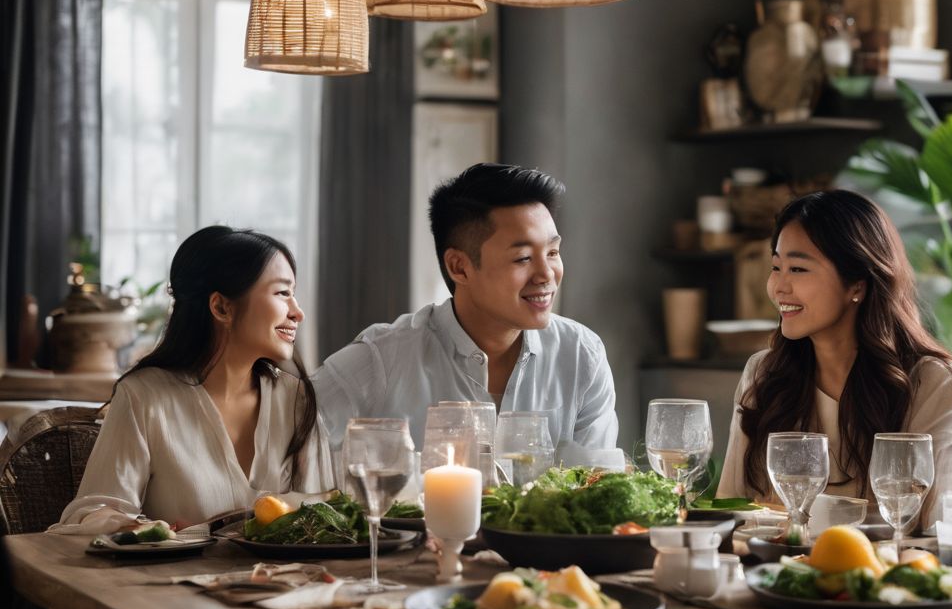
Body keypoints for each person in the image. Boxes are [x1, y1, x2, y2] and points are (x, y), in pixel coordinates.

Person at [717, 190, 952, 529]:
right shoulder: (763, 373)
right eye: (776, 267)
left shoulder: (935, 383)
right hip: (774, 576)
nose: (779, 286)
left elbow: (941, 531)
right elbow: (731, 510)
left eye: (799, 269)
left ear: (857, 286)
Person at [313, 163, 618, 452]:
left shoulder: (580, 355)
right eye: (523, 258)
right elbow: (285, 431)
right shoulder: (383, 360)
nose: (547, 274)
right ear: (459, 267)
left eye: (552, 252)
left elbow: (596, 489)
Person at [58, 227, 335, 532]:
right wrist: (142, 529)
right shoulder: (144, 396)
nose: (298, 313)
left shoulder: (295, 399)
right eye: (283, 293)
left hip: (291, 579)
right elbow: (94, 510)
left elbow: (327, 518)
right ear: (221, 307)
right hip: (171, 579)